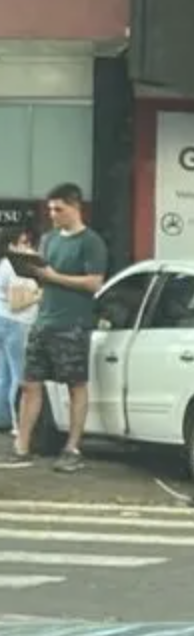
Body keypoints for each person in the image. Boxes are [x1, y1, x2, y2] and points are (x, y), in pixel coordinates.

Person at [8, 184, 109, 469]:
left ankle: (72, 448)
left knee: (75, 384)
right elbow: (43, 277)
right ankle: (22, 445)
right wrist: (30, 269)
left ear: (76, 208)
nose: (53, 215)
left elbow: (94, 283)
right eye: (50, 209)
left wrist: (54, 276)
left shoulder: (91, 242)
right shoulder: (49, 240)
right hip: (44, 320)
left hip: (72, 324)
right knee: (30, 384)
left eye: (59, 209)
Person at [1, 230, 38, 447]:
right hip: (17, 323)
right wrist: (38, 296)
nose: (28, 247)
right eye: (24, 243)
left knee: (3, 374)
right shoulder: (14, 267)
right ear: (12, 245)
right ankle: (17, 423)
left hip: (2, 319)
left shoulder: (3, 264)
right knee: (20, 375)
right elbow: (17, 304)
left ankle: (3, 418)